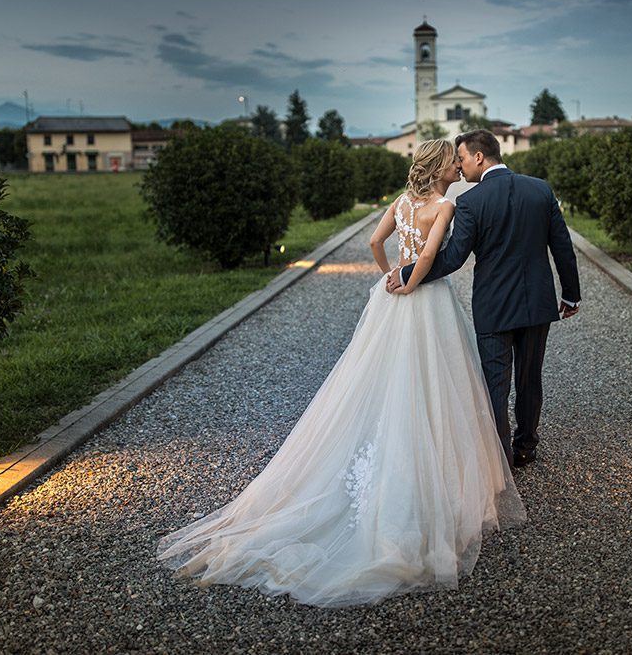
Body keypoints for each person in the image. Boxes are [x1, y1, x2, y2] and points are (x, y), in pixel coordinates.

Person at [158, 139, 525, 608]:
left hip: (390, 301)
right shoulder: (444, 205)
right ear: (439, 169)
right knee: (435, 380)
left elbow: (375, 241)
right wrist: (411, 281)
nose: (459, 166)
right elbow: (432, 258)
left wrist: (389, 275)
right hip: (426, 300)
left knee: (386, 376)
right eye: (453, 162)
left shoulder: (400, 202)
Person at [387, 129, 581, 469]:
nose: (459, 168)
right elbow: (562, 247)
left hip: (493, 307)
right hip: (537, 302)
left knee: (496, 383)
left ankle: (499, 458)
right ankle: (526, 447)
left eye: (461, 159)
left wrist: (407, 273)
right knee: (529, 377)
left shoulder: (471, 202)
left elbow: (452, 259)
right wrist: (571, 294)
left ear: (479, 157)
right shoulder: (539, 189)